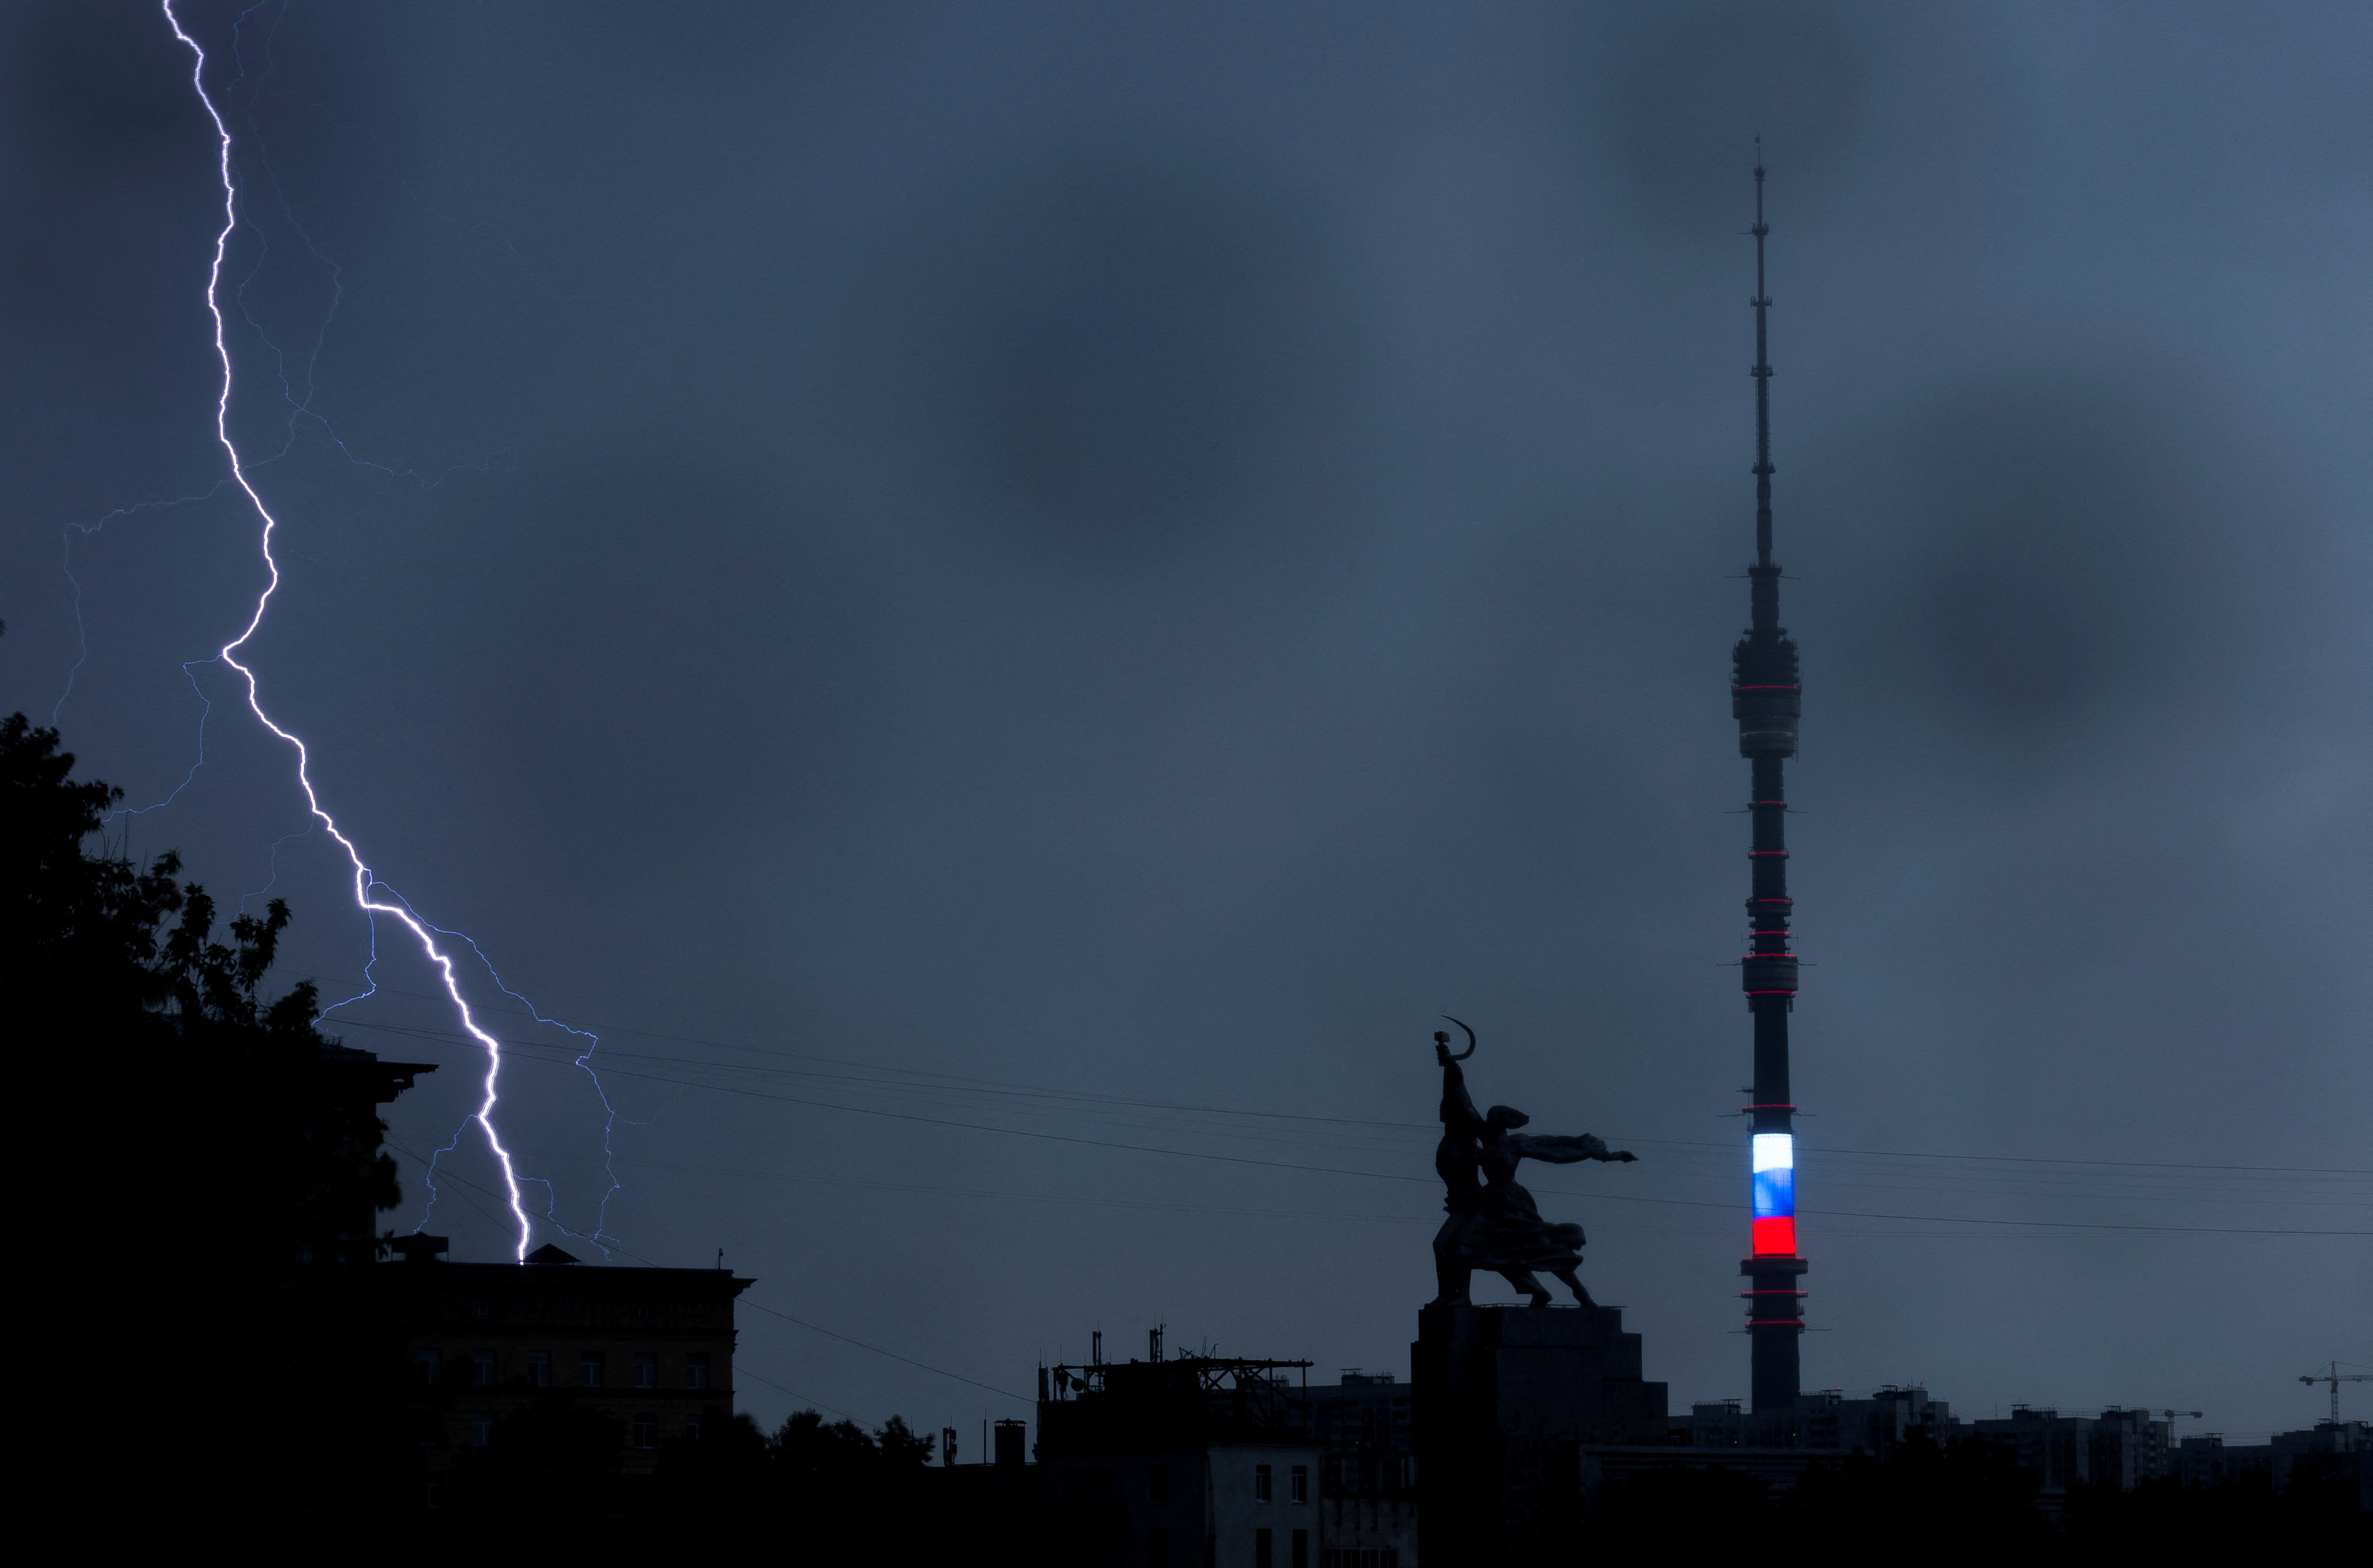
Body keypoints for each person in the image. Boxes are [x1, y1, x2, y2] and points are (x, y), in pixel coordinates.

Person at [1429, 1034, 1637, 1307]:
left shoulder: (1517, 1145)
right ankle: (1463, 1299)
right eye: (1488, 1118)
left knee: (1538, 1247)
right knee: (1468, 1246)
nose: (1487, 1121)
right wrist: (1452, 1067)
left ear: (1504, 1123)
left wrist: (1604, 1156)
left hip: (1512, 1202)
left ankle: (1581, 1295)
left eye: (1493, 1118)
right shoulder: (1485, 1135)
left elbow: (1557, 1153)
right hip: (1489, 1201)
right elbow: (1464, 1103)